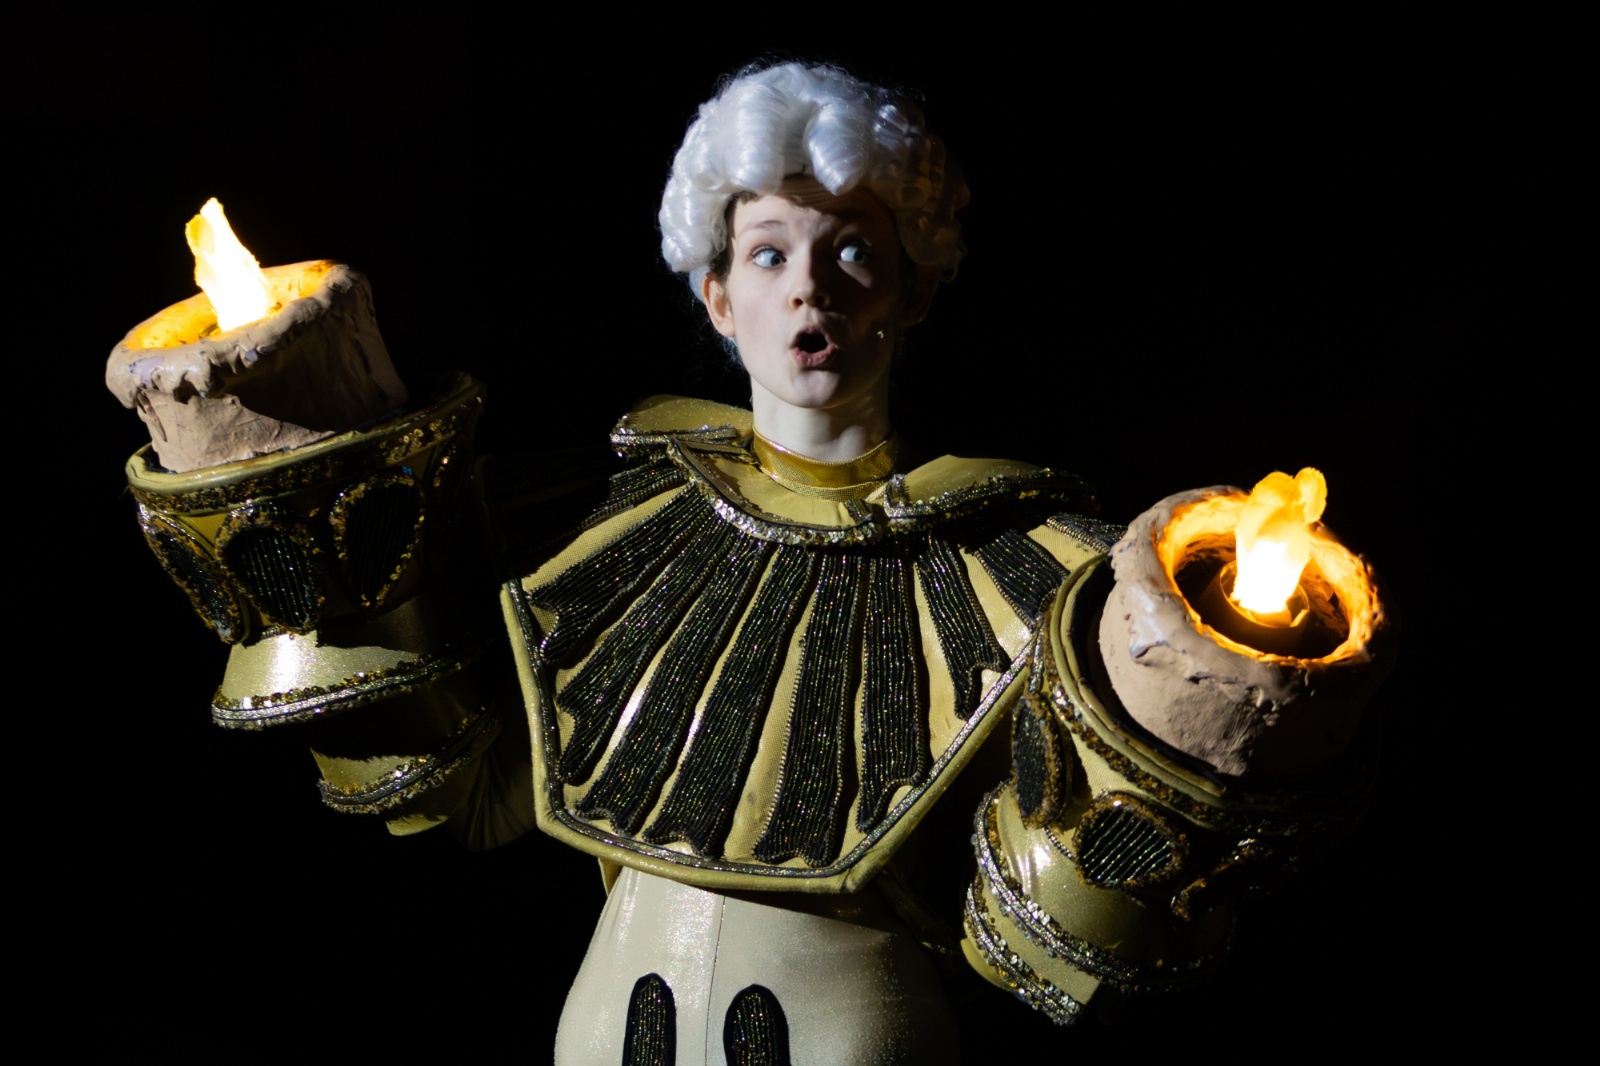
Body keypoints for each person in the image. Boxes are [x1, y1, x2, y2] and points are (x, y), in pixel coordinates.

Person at [118, 61, 1381, 1064]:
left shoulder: (1034, 570)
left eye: (851, 251)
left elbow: (1060, 928)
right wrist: (318, 536)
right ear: (717, 295)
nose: (807, 291)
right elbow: (455, 784)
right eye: (769, 253)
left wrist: (1183, 722)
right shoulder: (597, 517)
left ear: (913, 286)